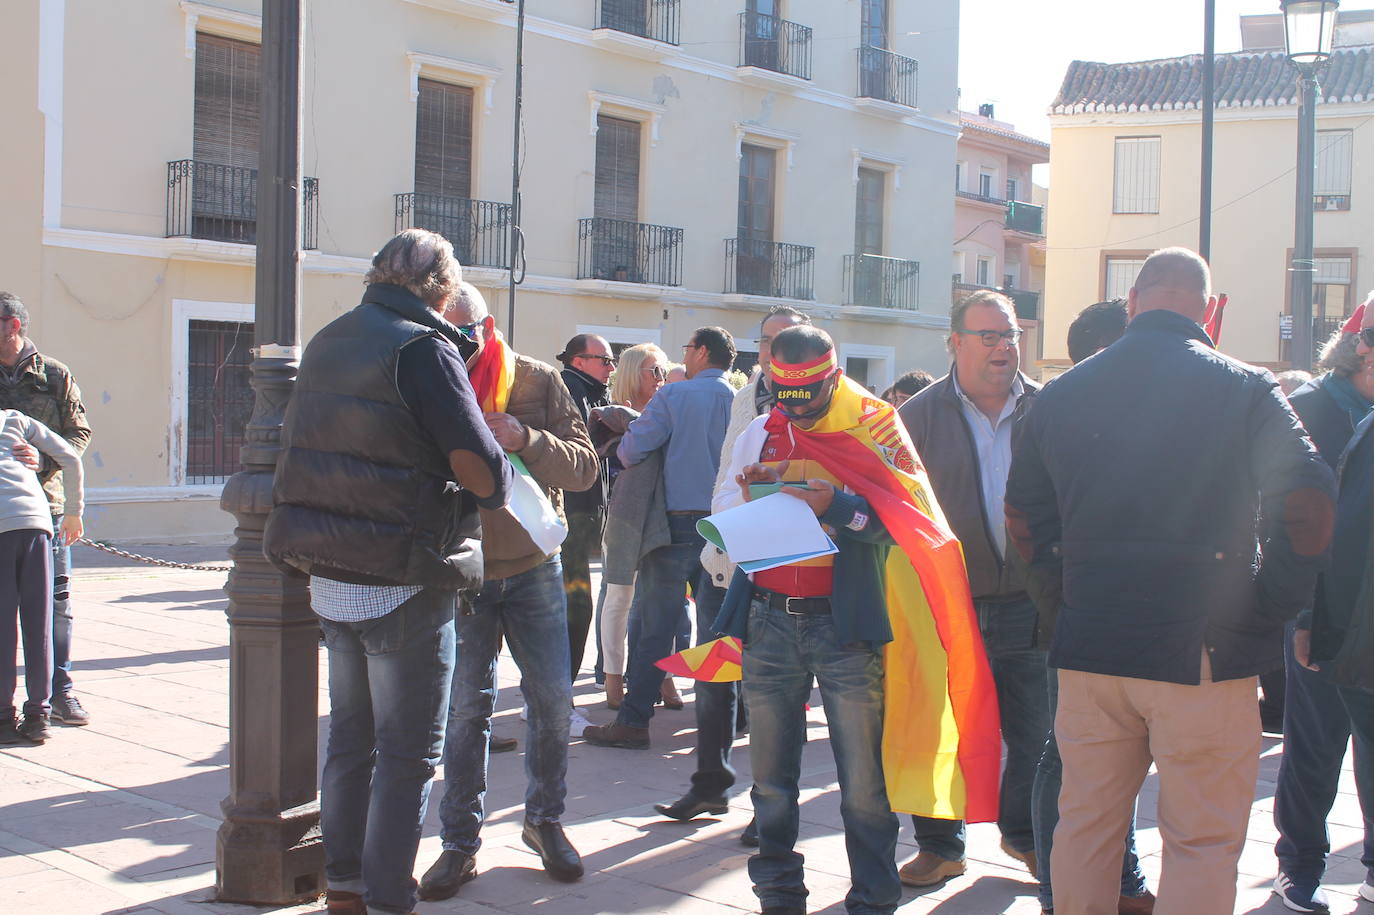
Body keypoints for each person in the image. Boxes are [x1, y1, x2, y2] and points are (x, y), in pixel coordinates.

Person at [1005, 247, 1336, 915]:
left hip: (1093, 644)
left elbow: (1022, 520)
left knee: (1087, 826)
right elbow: (1309, 502)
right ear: (1210, 311)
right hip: (1204, 649)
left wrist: (1063, 603)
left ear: (1132, 303)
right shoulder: (1244, 386)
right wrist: (1268, 606)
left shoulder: (1062, 392)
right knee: (1203, 840)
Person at [709, 324, 1002, 915]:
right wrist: (747, 501)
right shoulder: (762, 430)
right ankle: (779, 895)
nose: (801, 411)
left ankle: (874, 898)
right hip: (767, 621)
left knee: (865, 786)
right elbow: (721, 507)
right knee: (769, 779)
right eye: (787, 397)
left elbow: (909, 523)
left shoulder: (875, 425)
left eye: (812, 397)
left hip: (846, 627)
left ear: (834, 377)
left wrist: (835, 505)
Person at [263, 229, 513, 915]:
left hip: (331, 577)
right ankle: (385, 898)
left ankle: (342, 887)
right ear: (443, 287)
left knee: (350, 742)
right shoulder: (424, 347)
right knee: (406, 758)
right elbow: (484, 472)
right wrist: (501, 476)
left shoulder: (328, 338)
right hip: (404, 577)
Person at [421, 283, 599, 900]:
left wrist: (525, 439)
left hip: (534, 569)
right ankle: (459, 843)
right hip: (461, 576)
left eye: (463, 334)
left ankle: (544, 821)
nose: (453, 345)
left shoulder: (537, 381)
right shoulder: (426, 378)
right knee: (466, 713)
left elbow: (583, 467)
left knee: (552, 702)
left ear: (486, 326)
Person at [896, 290, 1048, 887]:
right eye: (988, 336)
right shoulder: (918, 417)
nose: (1004, 347)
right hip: (945, 603)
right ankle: (940, 845)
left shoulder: (1048, 406)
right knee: (939, 728)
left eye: (1010, 334)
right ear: (955, 342)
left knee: (1034, 731)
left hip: (1030, 603)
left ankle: (1026, 836)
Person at [652, 305, 811, 846]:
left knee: (772, 694)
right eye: (766, 342)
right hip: (727, 566)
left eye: (784, 341)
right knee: (714, 681)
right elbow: (726, 477)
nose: (772, 352)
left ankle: (769, 806)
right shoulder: (745, 398)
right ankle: (709, 783)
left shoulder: (825, 404)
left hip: (788, 577)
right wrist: (724, 535)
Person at [1030, 298, 1153, 915]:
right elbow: (1028, 517)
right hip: (1078, 616)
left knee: (1104, 755)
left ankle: (1122, 881)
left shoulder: (1086, 408)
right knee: (1068, 757)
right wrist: (1058, 607)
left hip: (1097, 613)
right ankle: (1061, 893)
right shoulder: (1066, 414)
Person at [582, 326, 736, 750]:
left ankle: (634, 721)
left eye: (687, 348)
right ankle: (723, 721)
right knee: (719, 629)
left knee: (655, 626)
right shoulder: (741, 401)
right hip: (728, 526)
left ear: (702, 352)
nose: (683, 357)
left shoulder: (675, 395)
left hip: (677, 525)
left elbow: (631, 451)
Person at [1272, 300, 1374, 913]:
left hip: (1364, 609)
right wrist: (1306, 616)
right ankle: (1299, 866)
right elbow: (1285, 521)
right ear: (1361, 345)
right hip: (1322, 608)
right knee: (1314, 742)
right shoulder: (1310, 410)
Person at [0, 292, 92, 727]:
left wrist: (45, 460)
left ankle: (61, 691)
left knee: (56, 605)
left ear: (11, 327)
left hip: (47, 510)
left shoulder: (54, 375)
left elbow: (78, 435)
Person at [0, 407, 84, 745]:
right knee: (39, 624)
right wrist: (75, 513)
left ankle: (4, 719)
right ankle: (39, 716)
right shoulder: (13, 418)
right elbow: (71, 457)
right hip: (37, 525)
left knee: (3, 629)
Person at [594, 342, 669, 710]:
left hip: (663, 515)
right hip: (623, 517)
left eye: (663, 371)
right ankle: (612, 677)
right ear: (632, 372)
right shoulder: (610, 417)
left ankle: (663, 676)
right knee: (618, 597)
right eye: (654, 371)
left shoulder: (667, 409)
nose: (661, 378)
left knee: (664, 600)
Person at [555, 333, 613, 691]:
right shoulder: (569, 390)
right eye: (604, 360)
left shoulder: (591, 391)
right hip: (572, 514)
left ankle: (559, 693)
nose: (611, 367)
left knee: (577, 607)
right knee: (575, 608)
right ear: (579, 361)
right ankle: (558, 695)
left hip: (582, 514)